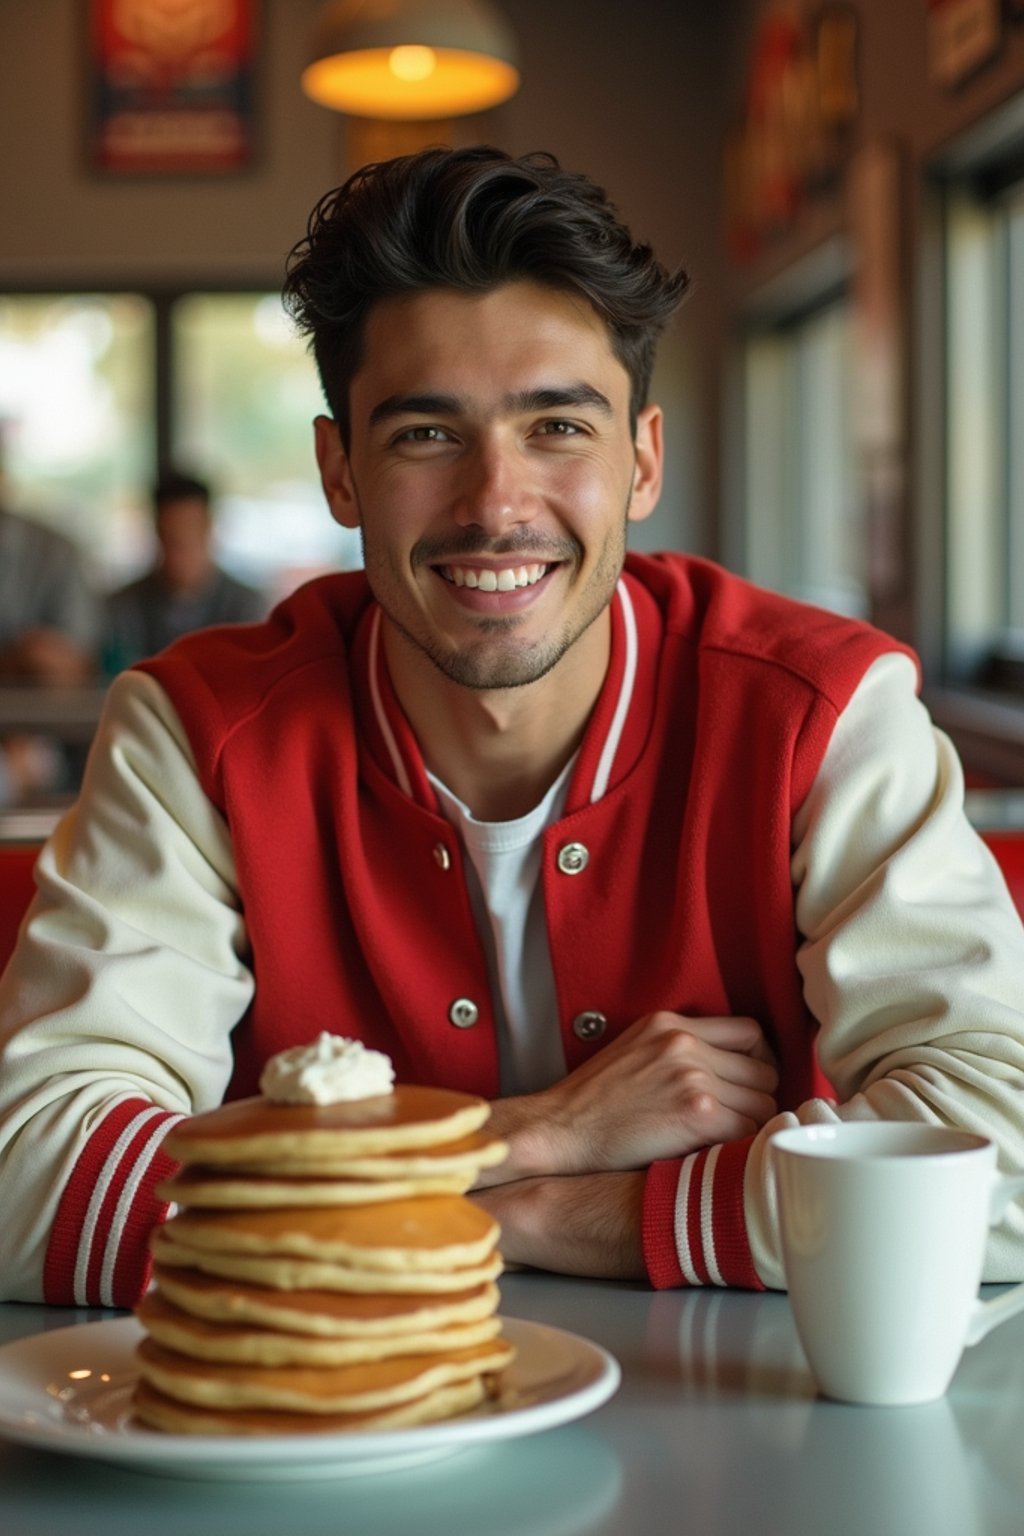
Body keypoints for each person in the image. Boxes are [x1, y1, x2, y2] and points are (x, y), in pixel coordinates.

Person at [0, 146, 1022, 1309]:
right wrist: (528, 1137)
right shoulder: (198, 732)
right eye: (425, 435)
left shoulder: (820, 712)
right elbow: (29, 1180)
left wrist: (568, 1215)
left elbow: (1005, 1153)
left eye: (556, 429)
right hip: (322, 1446)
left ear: (640, 459)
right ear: (340, 472)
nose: (495, 503)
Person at [0, 455, 102, 806]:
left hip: (41, 740)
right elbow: (38, 657)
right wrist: (20, 660)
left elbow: (73, 669)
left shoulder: (55, 551)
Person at [104, 469, 265, 670]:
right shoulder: (123, 606)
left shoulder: (246, 605)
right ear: (157, 531)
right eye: (171, 536)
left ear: (209, 527)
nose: (181, 547)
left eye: (190, 531)